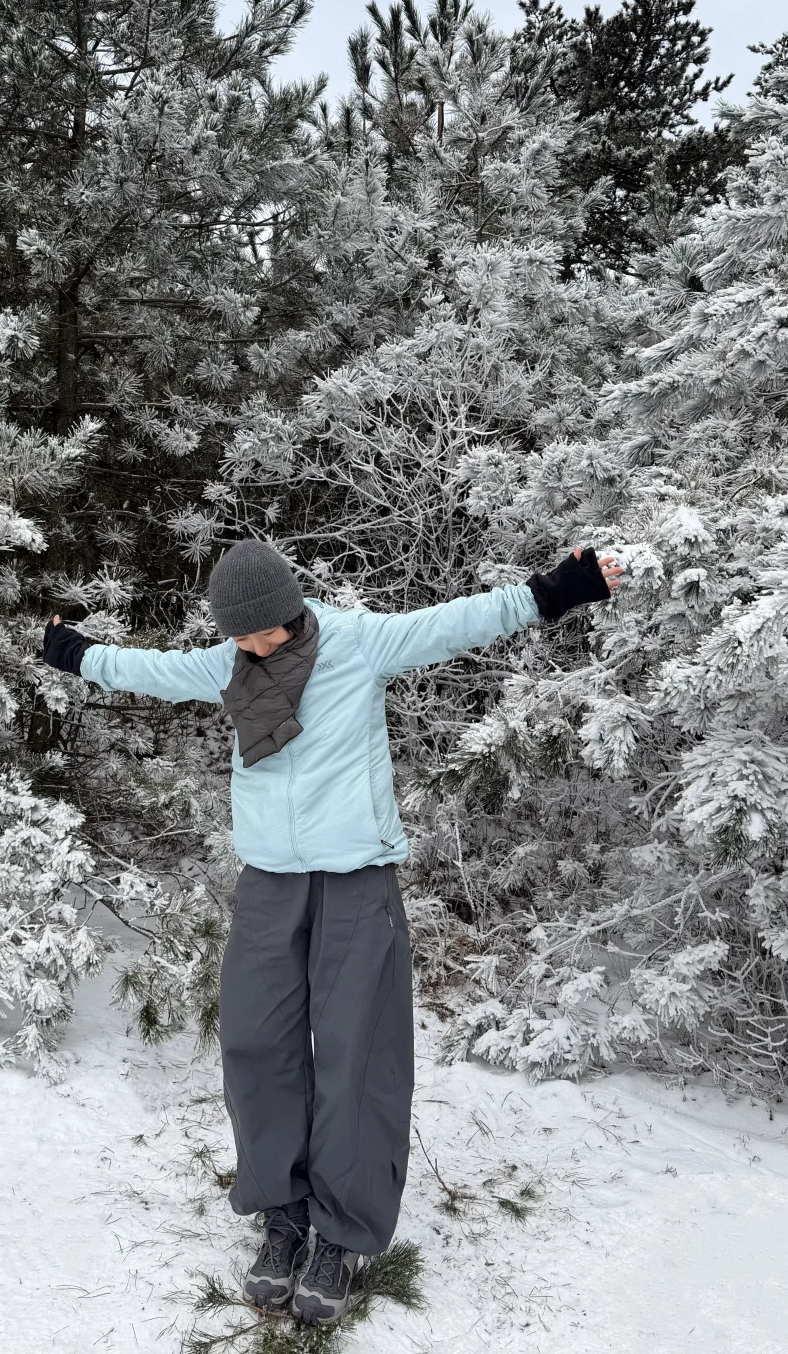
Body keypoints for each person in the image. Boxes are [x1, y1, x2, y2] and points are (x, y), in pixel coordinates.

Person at [42, 540, 623, 1325]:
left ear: (291, 612)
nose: (253, 647)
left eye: (264, 632)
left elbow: (457, 622)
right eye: (240, 636)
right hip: (268, 884)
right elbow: (150, 669)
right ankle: (283, 1211)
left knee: (358, 1054)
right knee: (257, 1043)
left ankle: (341, 1234)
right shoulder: (228, 666)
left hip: (357, 880)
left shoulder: (358, 643)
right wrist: (75, 652)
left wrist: (555, 590)